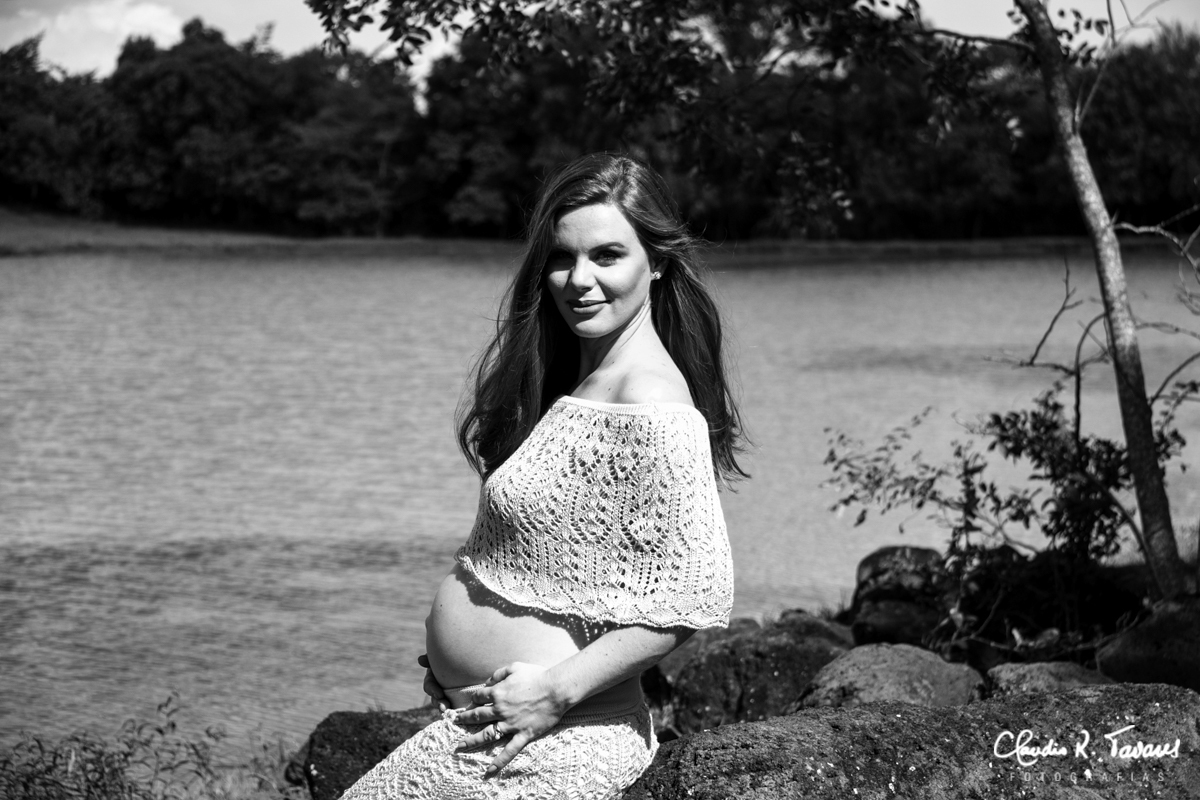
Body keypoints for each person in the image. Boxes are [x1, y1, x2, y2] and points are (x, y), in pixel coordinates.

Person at [341, 152, 747, 799]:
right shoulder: (582, 382)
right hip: (497, 726)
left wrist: (552, 692)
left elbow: (693, 593)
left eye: (607, 256)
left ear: (657, 262)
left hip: (556, 737)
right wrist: (458, 662)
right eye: (562, 257)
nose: (579, 280)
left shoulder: (649, 399)